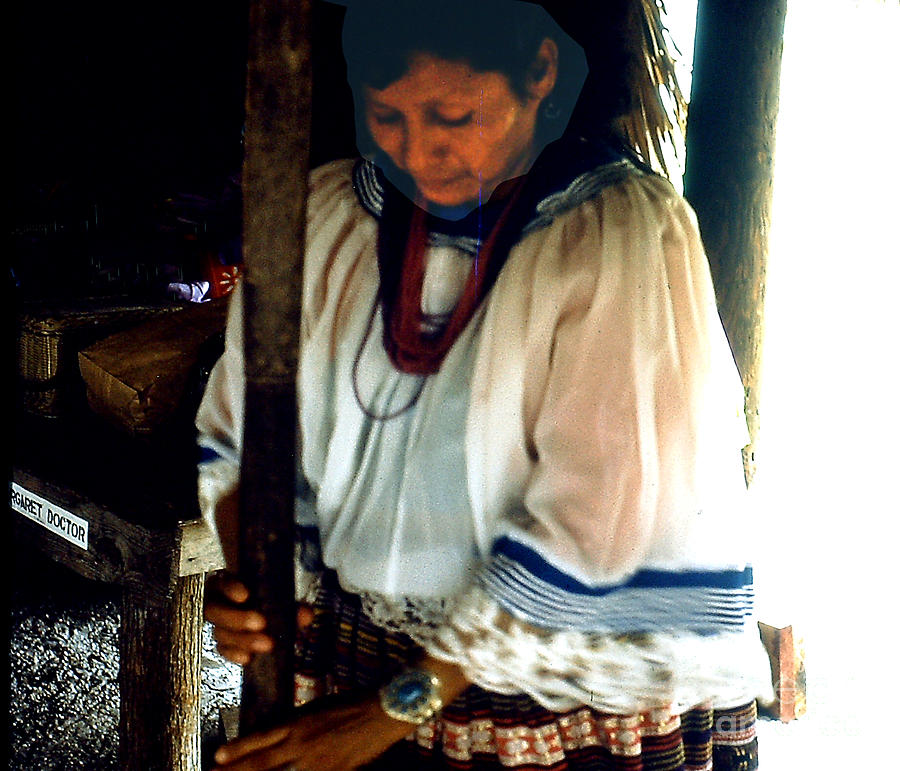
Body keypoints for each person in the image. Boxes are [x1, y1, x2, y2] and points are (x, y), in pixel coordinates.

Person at [198, 1, 773, 768]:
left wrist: (387, 713)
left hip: (559, 695)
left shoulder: (617, 238)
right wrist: (249, 577)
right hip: (361, 664)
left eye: (451, 114)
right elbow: (242, 435)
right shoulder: (331, 216)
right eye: (388, 118)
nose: (419, 152)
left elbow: (593, 526)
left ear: (540, 71)